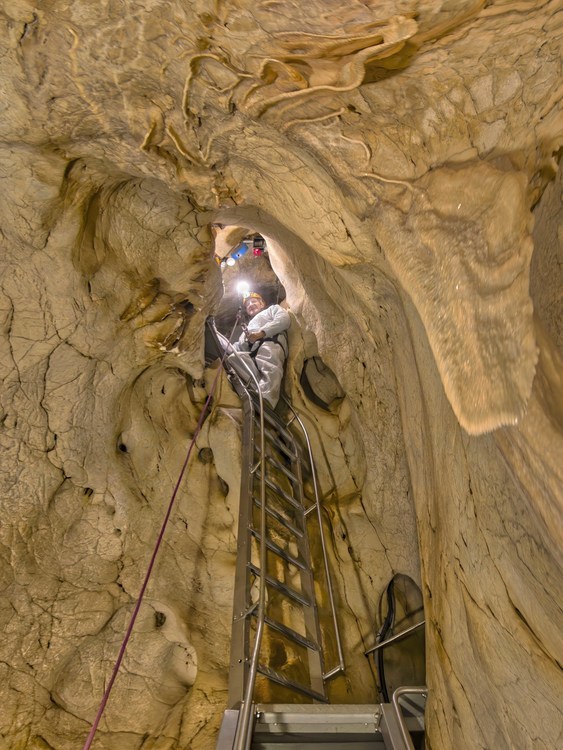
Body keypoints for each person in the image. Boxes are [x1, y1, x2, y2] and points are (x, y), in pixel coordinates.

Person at [230, 292, 290, 408]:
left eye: (253, 301)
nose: (250, 305)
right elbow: (238, 346)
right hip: (252, 353)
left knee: (269, 363)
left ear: (262, 303)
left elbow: (284, 319)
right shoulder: (247, 327)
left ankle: (267, 400)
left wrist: (261, 333)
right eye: (247, 305)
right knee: (234, 358)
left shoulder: (272, 309)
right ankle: (257, 392)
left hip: (270, 341)